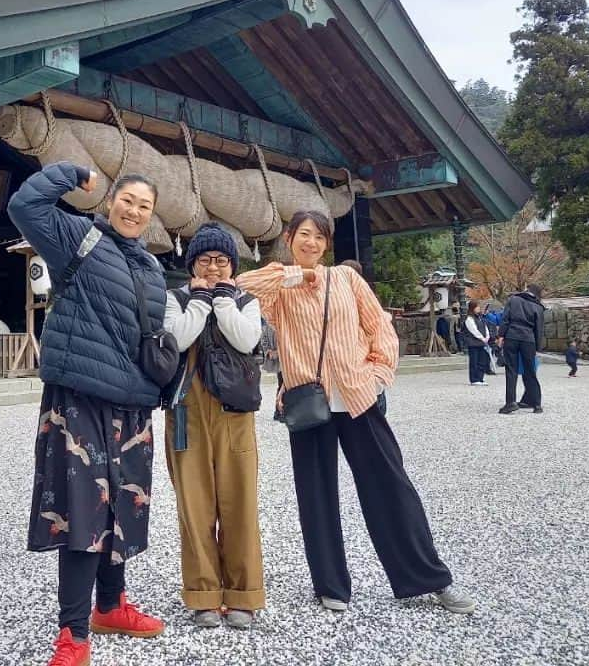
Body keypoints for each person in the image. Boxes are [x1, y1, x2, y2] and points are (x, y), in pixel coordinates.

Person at [236, 210, 475, 617]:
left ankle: (430, 578)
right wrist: (296, 275)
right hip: (307, 399)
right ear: (290, 238)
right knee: (316, 495)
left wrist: (379, 373)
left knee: (391, 486)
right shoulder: (281, 286)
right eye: (303, 235)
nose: (311, 243)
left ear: (328, 244)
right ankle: (331, 584)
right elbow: (240, 286)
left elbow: (379, 326)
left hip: (357, 396)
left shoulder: (347, 279)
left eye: (319, 237)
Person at [7, 163, 168, 666]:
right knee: (84, 511)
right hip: (79, 397)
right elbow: (23, 207)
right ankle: (73, 634)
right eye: (128, 200)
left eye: (145, 206)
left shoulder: (152, 267)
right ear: (111, 201)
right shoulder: (77, 236)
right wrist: (69, 174)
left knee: (123, 506)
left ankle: (111, 606)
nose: (134, 211)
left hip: (133, 404)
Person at [163, 224, 264, 629]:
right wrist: (202, 299)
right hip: (186, 409)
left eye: (222, 261)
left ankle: (243, 593)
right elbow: (178, 337)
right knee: (195, 505)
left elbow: (245, 339)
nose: (214, 267)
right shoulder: (175, 300)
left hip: (234, 411)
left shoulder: (247, 300)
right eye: (205, 260)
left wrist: (223, 299)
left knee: (240, 502)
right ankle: (203, 593)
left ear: (233, 265)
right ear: (192, 264)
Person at [497, 284, 545, 414]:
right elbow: (539, 329)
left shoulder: (514, 299)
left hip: (512, 336)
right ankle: (537, 404)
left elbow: (505, 319)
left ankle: (510, 402)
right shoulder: (538, 307)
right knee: (530, 371)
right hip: (529, 338)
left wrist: (501, 335)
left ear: (527, 290)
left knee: (511, 370)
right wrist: (537, 347)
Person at [463, 300, 489, 386]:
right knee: (474, 361)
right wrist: (482, 338)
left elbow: (485, 328)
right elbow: (473, 330)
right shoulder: (469, 319)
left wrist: (487, 337)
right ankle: (474, 379)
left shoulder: (480, 318)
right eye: (477, 307)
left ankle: (480, 378)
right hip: (473, 343)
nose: (479, 308)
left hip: (481, 342)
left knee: (482, 361)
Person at [480, 303, 498, 375]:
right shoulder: (489, 317)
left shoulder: (487, 317)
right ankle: (487, 368)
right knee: (488, 354)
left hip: (489, 336)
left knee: (487, 354)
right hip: (489, 336)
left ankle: (487, 368)